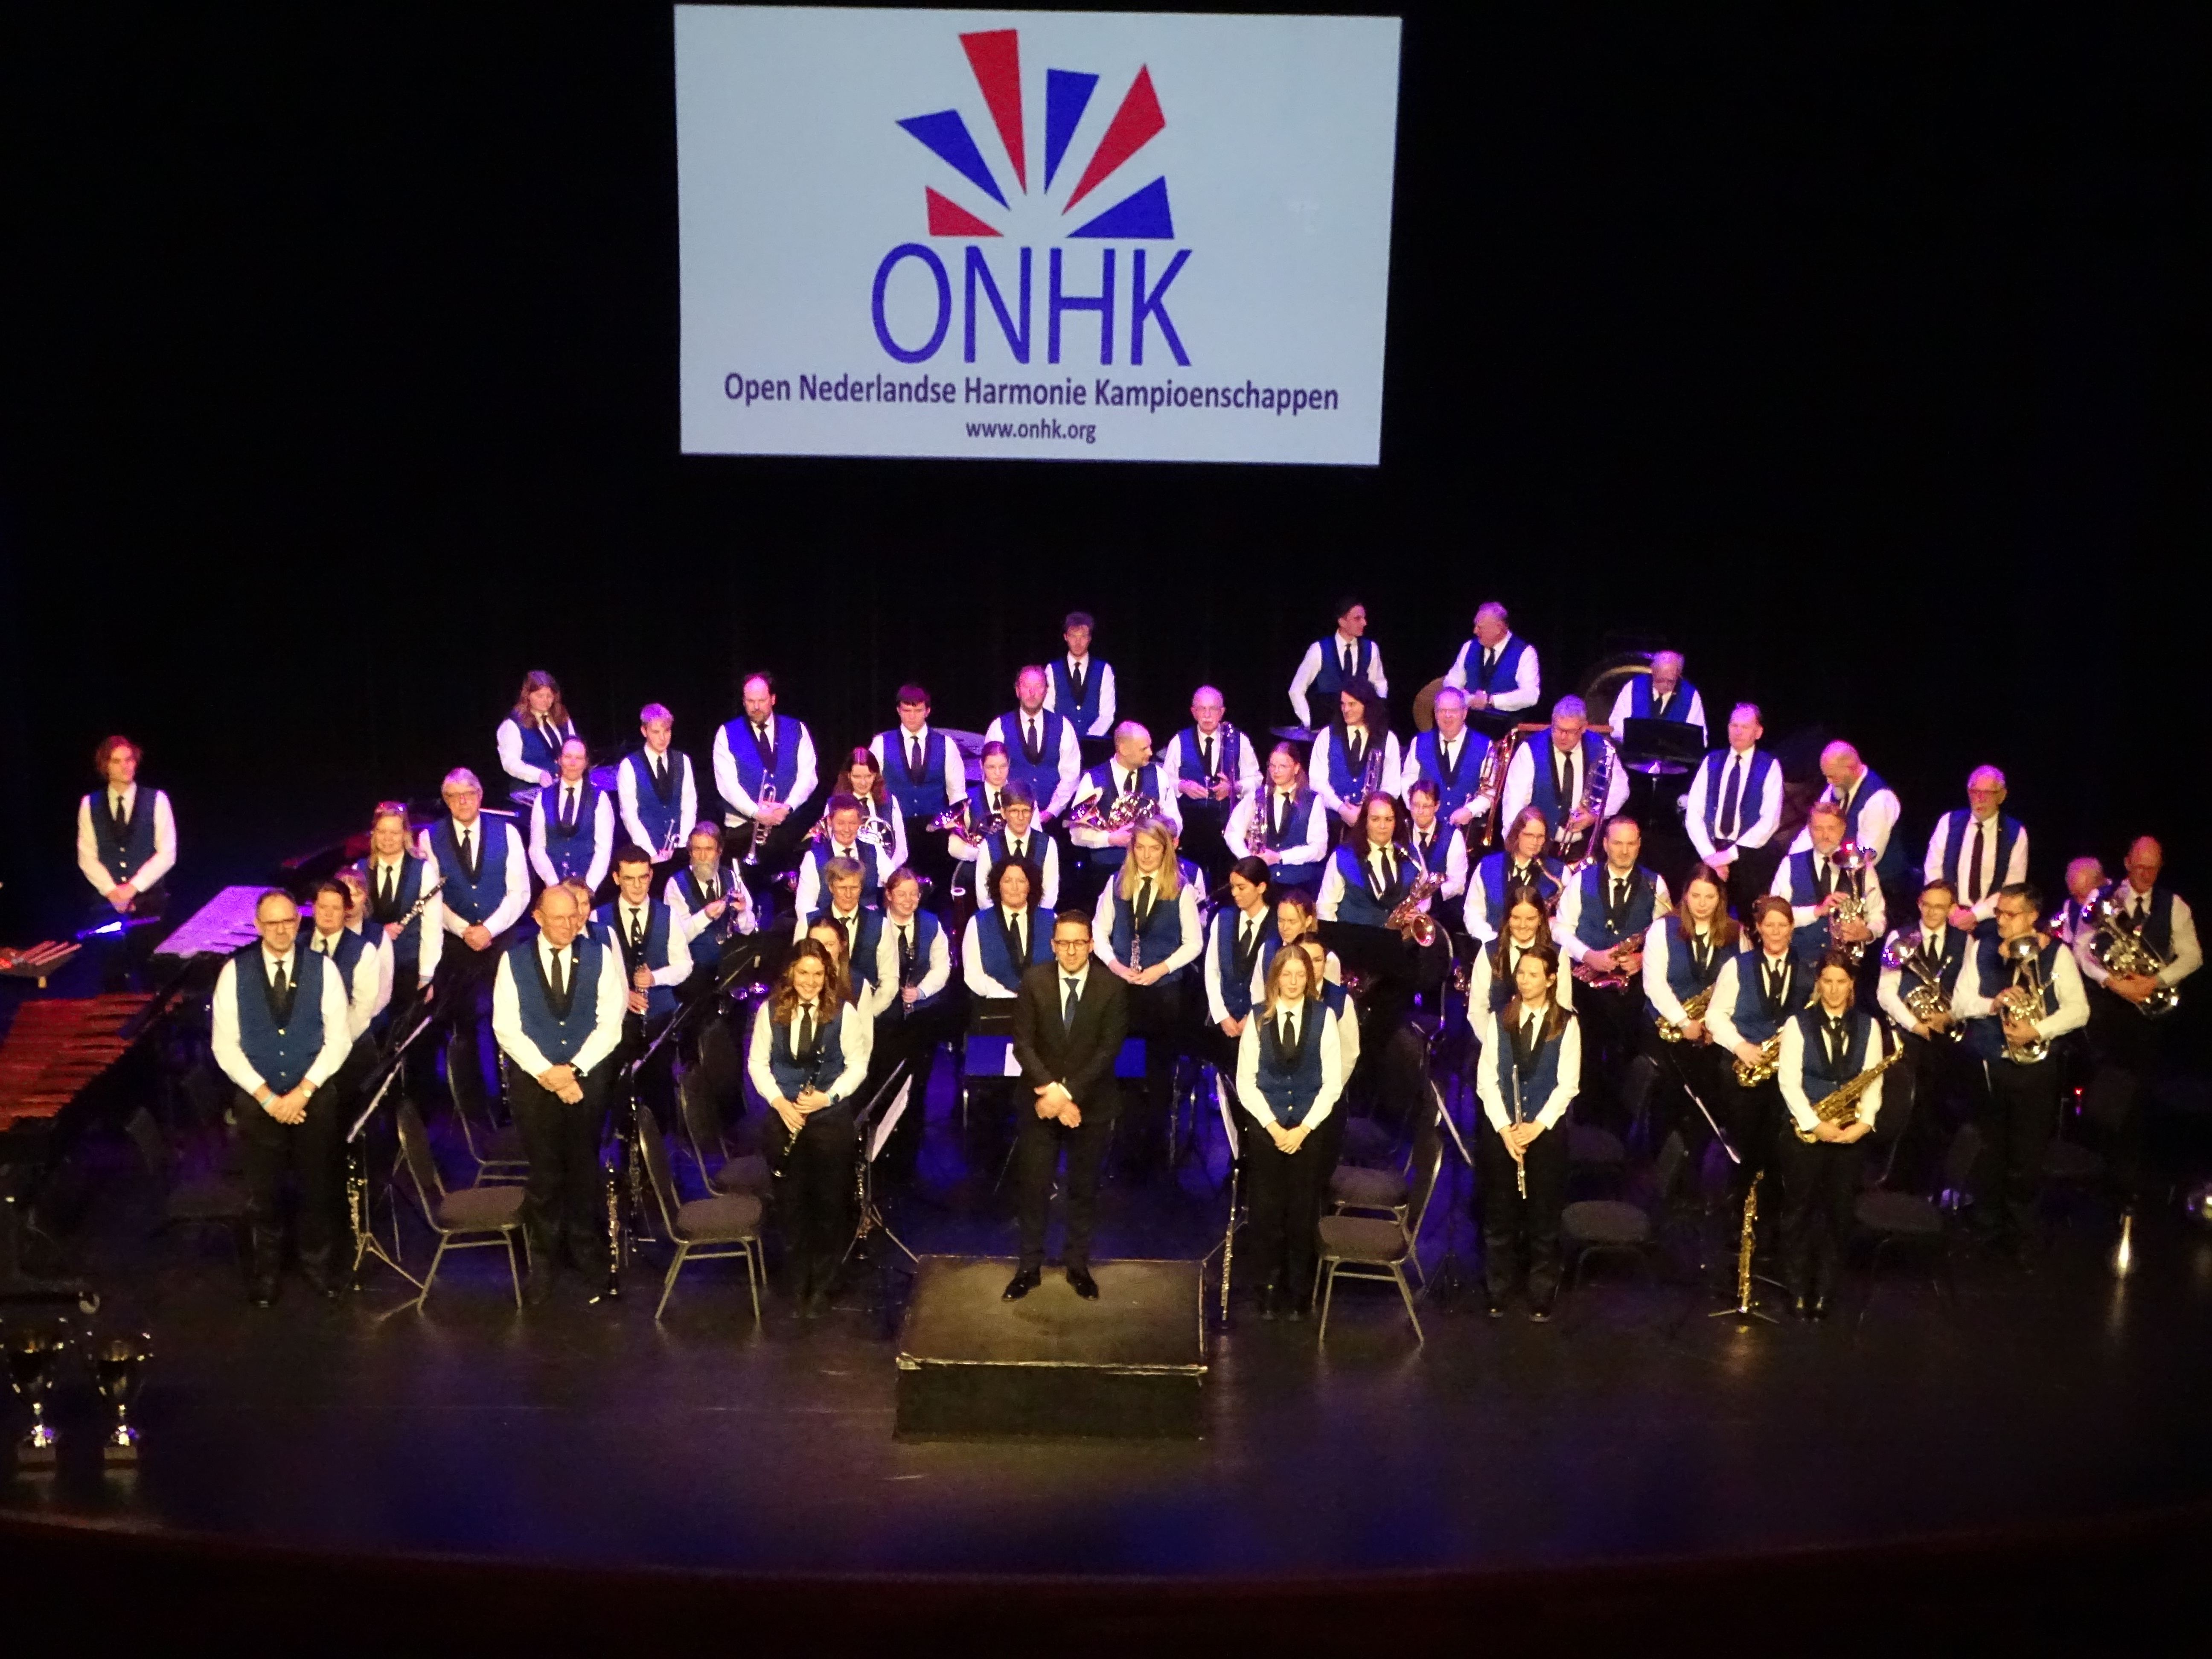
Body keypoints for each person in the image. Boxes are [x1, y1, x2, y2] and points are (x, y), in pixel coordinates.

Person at [209, 890, 355, 1304]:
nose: (281, 930)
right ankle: (267, 1274)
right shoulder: (234, 973)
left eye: (288, 922)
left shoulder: (323, 970)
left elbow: (338, 1040)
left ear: (298, 922)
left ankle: (317, 1267)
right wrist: (269, 1098)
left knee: (317, 1186)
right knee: (265, 1192)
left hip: (313, 1097)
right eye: (272, 923)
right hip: (259, 1102)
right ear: (258, 927)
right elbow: (225, 1046)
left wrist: (305, 1090)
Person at [491, 882, 627, 1304]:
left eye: (574, 916)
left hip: (586, 1079)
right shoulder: (513, 961)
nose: (569, 924)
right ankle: (544, 1260)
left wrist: (575, 1070)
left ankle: (586, 1249)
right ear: (538, 918)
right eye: (559, 918)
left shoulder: (600, 956)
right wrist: (547, 1073)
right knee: (546, 1173)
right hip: (535, 1084)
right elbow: (506, 1028)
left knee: (584, 1167)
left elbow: (611, 1023)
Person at [1953, 882, 2090, 1260]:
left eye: (2010, 914)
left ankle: (2022, 1236)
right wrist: (1992, 1003)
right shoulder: (1981, 948)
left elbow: (2079, 1011)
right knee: (1989, 1150)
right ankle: (1986, 1225)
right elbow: (1960, 1004)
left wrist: (2037, 1030)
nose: (2001, 920)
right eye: (1999, 912)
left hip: (2034, 1070)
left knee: (2026, 1157)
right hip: (1989, 1064)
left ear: (2032, 917)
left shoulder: (2056, 954)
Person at [1006, 913, 1130, 1301]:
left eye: (1079, 943)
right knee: (1034, 1187)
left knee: (1083, 1188)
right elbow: (1023, 1044)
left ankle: (1077, 1265)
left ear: (1091, 944)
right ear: (1053, 945)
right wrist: (1052, 1095)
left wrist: (1067, 1095)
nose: (1071, 950)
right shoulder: (1034, 981)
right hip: (1040, 1104)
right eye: (1064, 943)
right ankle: (1029, 1266)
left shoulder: (1111, 987)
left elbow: (1107, 1051)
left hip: (1090, 1104)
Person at [747, 940, 873, 1316]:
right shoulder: (768, 1012)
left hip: (829, 1121)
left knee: (829, 1205)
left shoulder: (844, 1013)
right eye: (804, 973)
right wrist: (779, 1102)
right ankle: (797, 1279)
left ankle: (824, 1282)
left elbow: (858, 1065)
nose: (811, 981)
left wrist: (829, 1098)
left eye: (818, 974)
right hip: (785, 1118)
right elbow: (758, 1064)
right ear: (791, 973)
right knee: (791, 1205)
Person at [2074, 838, 2201, 1194]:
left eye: (2153, 868)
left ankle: (2127, 1174)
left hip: (2148, 1013)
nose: (2145, 875)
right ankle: (2094, 1166)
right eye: (2139, 867)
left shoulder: (2174, 905)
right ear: (2127, 862)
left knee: (2138, 1092)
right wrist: (2112, 982)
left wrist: (2155, 981)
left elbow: (2193, 957)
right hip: (2109, 1008)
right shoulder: (2105, 898)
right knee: (2103, 1088)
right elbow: (2083, 950)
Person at [1235, 943, 1344, 1320]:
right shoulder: (1257, 1019)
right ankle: (1266, 1287)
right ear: (1275, 978)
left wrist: (1303, 1129)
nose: (1295, 981)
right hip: (1267, 1130)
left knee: (1301, 1213)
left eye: (1302, 975)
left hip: (1309, 1130)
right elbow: (1246, 1082)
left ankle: (1299, 1290)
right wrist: (1272, 1126)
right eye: (1288, 975)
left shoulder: (1324, 1017)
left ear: (1310, 979)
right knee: (1266, 1212)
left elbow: (1332, 1083)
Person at [1775, 952, 1886, 1318]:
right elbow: (1789, 1082)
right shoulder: (1797, 1024)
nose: (1835, 989)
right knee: (1799, 1212)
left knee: (1839, 1214)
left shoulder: (1870, 1026)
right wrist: (1814, 1124)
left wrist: (1865, 1123)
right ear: (1819, 984)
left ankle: (1825, 1290)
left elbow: (1873, 1078)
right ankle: (1797, 1289)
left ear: (1851, 984)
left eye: (1842, 982)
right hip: (1807, 1130)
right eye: (1828, 982)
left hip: (1849, 1131)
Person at [1474, 944, 1580, 1320]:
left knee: (1543, 1215)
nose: (1525, 980)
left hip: (1544, 1130)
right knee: (1500, 1214)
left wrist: (1536, 1127)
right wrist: (1505, 1128)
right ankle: (1498, 1288)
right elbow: (1487, 1080)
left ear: (1551, 980)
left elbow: (1568, 1085)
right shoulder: (1499, 1019)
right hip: (1503, 1128)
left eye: (1534, 974)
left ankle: (1541, 1290)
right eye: (1522, 973)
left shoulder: (1567, 1023)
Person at [1093, 819, 1202, 1176]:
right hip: (1124, 991)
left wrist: (1161, 969)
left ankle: (1152, 1155)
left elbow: (1194, 943)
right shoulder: (1117, 884)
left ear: (1166, 850)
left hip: (1163, 995)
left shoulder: (1181, 889)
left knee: (1156, 1075)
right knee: (1125, 1071)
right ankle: (1124, 1149)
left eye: (1154, 849)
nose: (1146, 855)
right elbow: (1099, 929)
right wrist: (1114, 965)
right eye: (1140, 847)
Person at [421, 769, 530, 1111]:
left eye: (468, 793)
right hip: (458, 942)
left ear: (480, 795)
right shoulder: (430, 837)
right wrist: (463, 929)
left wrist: (489, 929)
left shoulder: (507, 832)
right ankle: (472, 1104)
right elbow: (432, 895)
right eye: (453, 796)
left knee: (511, 1018)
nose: (462, 801)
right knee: (464, 1023)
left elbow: (521, 891)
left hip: (501, 939)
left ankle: (513, 1099)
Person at [1552, 815, 1672, 1128]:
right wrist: (1589, 955)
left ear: (1639, 846)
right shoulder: (1581, 880)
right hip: (1586, 982)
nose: (1624, 851)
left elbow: (1669, 935)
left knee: (1626, 1052)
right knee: (1588, 1052)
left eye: (1631, 844)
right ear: (1605, 845)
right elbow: (1561, 930)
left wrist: (1644, 957)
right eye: (1617, 843)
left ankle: (1620, 1127)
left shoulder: (1655, 884)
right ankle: (1586, 1124)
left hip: (1631, 985)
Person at [1706, 896, 1817, 1205]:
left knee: (1778, 1145)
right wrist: (1741, 1047)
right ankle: (1737, 1204)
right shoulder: (1737, 966)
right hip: (1744, 1067)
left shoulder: (1808, 972)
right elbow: (1715, 1017)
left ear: (1792, 929)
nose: (1777, 932)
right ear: (1758, 928)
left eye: (1783, 926)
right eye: (1770, 926)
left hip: (1786, 1073)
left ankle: (1771, 1205)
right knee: (1744, 1144)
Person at [1875, 878, 1973, 1168]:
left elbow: (1968, 990)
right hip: (1908, 1034)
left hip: (1944, 1033)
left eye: (1940, 908)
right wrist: (1915, 1025)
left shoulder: (1964, 941)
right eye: (1927, 906)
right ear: (1919, 903)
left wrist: (1950, 1015)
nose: (1931, 913)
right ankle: (1896, 1168)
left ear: (1951, 908)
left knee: (1936, 1105)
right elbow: (1885, 992)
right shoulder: (1899, 936)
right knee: (1905, 1104)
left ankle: (1929, 1169)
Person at [863, 867, 955, 1178]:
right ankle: (878, 1153)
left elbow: (943, 966)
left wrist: (921, 992)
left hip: (921, 1018)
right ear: (888, 895)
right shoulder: (874, 924)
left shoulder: (931, 924)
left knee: (917, 1086)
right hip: (884, 1021)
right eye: (901, 893)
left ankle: (909, 1157)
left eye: (914, 894)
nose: (909, 900)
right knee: (882, 1084)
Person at [1637, 864, 1735, 1146]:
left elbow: (1738, 985)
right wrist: (1684, 1022)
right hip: (1666, 1027)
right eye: (1696, 896)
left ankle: (1693, 1158)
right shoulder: (1662, 929)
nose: (1702, 904)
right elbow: (1654, 984)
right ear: (1686, 896)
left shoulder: (1733, 933)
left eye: (1710, 897)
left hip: (1711, 1030)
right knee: (1668, 1094)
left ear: (1721, 898)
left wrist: (1712, 1024)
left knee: (1707, 1098)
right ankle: (1658, 1153)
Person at [712, 671, 821, 888]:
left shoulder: (797, 729)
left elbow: (808, 776)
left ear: (773, 699)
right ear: (743, 702)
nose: (756, 707)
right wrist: (757, 813)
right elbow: (728, 785)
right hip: (744, 829)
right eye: (750, 701)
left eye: (762, 700)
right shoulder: (726, 733)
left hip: (789, 828)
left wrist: (787, 808)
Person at [1497, 696, 1627, 863]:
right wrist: (1514, 845)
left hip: (1585, 845)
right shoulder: (1530, 750)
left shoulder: (1602, 748)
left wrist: (1594, 815)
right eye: (1558, 729)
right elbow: (1514, 800)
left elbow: (1621, 789)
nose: (1563, 737)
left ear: (1583, 728)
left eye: (1571, 731)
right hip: (1542, 845)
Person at [1682, 703, 1784, 900]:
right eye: (1734, 725)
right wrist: (1710, 857)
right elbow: (1694, 812)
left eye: (1745, 727)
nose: (1738, 732)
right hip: (1711, 852)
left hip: (1749, 858)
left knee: (1749, 919)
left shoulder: (1769, 766)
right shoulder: (1712, 761)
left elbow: (1770, 820)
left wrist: (1728, 856)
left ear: (1758, 732)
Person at [870, 684, 964, 899]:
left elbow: (957, 792)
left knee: (935, 894)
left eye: (918, 710)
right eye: (907, 710)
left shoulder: (946, 745)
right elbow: (872, 788)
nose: (912, 716)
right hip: (895, 828)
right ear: (898, 710)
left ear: (928, 711)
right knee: (898, 891)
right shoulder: (881, 744)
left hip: (934, 829)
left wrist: (954, 823)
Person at [1161, 686, 1259, 889]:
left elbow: (1257, 779)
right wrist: (1182, 785)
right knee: (1188, 883)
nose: (1207, 715)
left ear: (1222, 712)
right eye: (1202, 709)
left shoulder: (1239, 740)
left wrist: (1235, 787)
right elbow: (1164, 780)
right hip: (1190, 829)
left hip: (1228, 828)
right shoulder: (1179, 741)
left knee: (1224, 884)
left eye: (1213, 709)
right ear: (1193, 712)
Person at [76, 733, 178, 928]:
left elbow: (167, 853)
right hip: (107, 906)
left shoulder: (157, 800)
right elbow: (86, 856)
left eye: (129, 760)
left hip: (150, 906)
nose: (126, 766)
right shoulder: (90, 804)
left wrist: (133, 888)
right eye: (117, 761)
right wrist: (112, 892)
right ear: (105, 766)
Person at [594, 845, 693, 1034]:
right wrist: (622, 994)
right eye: (629, 879)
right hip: (614, 1023)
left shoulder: (668, 914)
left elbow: (684, 965)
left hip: (661, 1020)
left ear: (651, 875)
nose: (638, 886)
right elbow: (592, 973)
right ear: (616, 879)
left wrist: (654, 978)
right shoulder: (597, 917)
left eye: (643, 877)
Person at [1774, 801, 1885, 968]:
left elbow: (1878, 916)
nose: (1825, 835)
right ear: (1809, 830)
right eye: (1818, 829)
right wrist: (1817, 911)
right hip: (1799, 966)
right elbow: (1776, 915)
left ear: (1843, 829)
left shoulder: (1862, 868)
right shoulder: (1790, 865)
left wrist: (1867, 933)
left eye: (1831, 829)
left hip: (1845, 969)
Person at [1922, 766, 2028, 928]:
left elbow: (2013, 887)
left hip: (1991, 919)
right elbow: (1933, 869)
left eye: (1988, 793)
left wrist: (1976, 915)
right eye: (1975, 792)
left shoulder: (2015, 833)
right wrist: (1951, 908)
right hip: (1948, 913)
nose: (1980, 799)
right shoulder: (1949, 823)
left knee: (1986, 952)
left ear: (2001, 796)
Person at [1786, 742, 1904, 885]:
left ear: (1850, 769)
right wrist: (1793, 863)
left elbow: (1867, 855)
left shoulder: (1878, 799)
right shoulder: (1835, 788)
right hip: (1842, 876)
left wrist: (1825, 868)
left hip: (1881, 885)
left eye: (1833, 776)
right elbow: (1813, 829)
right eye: (1827, 776)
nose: (1829, 782)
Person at [362, 801, 442, 1003]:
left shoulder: (423, 871)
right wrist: (379, 933)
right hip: (369, 970)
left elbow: (432, 929)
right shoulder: (360, 869)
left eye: (395, 833)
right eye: (382, 832)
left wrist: (426, 976)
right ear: (374, 833)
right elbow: (352, 923)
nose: (388, 839)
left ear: (405, 834)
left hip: (409, 970)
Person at [1202, 857, 1275, 1077]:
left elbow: (1272, 980)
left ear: (1261, 887)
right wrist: (1222, 1015)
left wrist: (1252, 1017)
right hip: (1223, 1023)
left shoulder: (1276, 925)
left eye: (1242, 888)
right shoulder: (1223, 919)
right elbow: (1212, 970)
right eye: (1233, 887)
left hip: (1260, 1025)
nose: (1235, 893)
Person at [1225, 743, 1330, 892]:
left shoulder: (1313, 801)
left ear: (1296, 768)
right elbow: (1232, 833)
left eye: (1283, 766)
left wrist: (1281, 857)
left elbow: (1319, 848)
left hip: (1299, 886)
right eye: (1272, 766)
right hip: (1265, 884)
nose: (1276, 771)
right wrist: (1249, 859)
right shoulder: (1257, 797)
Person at [984, 666, 1082, 825]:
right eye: (1026, 686)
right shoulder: (999, 727)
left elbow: (1071, 775)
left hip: (1052, 822)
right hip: (1009, 820)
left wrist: (1051, 812)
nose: (1032, 692)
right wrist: (1015, 812)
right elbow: (992, 776)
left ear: (1046, 691)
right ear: (1017, 691)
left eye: (1038, 687)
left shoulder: (1064, 727)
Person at [1467, 886, 1577, 1027]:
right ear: (1508, 918)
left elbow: (1563, 1008)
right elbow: (1477, 1011)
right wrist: (1495, 1045)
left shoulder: (1558, 954)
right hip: (1493, 1040)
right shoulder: (1489, 952)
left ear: (1540, 919)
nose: (1523, 926)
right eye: (1516, 918)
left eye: (1531, 919)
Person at [1308, 680, 1402, 838]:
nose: (1346, 709)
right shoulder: (1327, 736)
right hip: (1331, 827)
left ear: (1367, 706)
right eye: (1343, 704)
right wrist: (1341, 808)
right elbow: (1317, 781)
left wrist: (1367, 811)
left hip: (1371, 829)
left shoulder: (1388, 740)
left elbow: (1392, 786)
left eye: (1352, 704)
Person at [666, 822, 757, 978]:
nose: (702, 857)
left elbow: (749, 930)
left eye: (709, 850)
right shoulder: (676, 884)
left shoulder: (732, 878)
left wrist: (742, 913)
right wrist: (705, 916)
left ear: (719, 852)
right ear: (690, 852)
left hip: (730, 966)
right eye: (697, 850)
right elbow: (677, 938)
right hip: (696, 971)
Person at [1394, 686, 1484, 841]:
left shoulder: (1484, 745)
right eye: (1442, 711)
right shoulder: (1420, 742)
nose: (1447, 716)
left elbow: (1490, 792)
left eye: (1453, 711)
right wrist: (1418, 810)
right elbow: (1408, 780)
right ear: (1435, 714)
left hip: (1467, 833)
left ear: (1464, 713)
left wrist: (1470, 810)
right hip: (1423, 833)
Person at [795, 858, 883, 1014]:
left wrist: (864, 1015)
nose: (848, 895)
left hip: (866, 1013)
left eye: (854, 888)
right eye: (842, 888)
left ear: (861, 888)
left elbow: (889, 980)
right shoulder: (807, 922)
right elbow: (797, 970)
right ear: (831, 888)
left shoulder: (880, 924)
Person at [963, 857, 1055, 1005]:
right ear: (998, 886)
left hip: (1044, 1007)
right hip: (996, 1008)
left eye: (1021, 881)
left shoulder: (1052, 920)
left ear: (1030, 885)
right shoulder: (977, 924)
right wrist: (1006, 996)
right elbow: (973, 974)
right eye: (1007, 881)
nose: (1015, 887)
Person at [616, 703, 699, 867]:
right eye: (656, 732)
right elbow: (630, 815)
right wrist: (651, 853)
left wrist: (681, 847)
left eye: (667, 731)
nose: (663, 738)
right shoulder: (629, 765)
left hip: (679, 853)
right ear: (644, 731)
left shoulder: (683, 761)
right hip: (649, 856)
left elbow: (689, 806)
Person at [1287, 596, 1388, 729]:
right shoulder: (1320, 650)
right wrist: (1308, 721)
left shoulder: (1371, 649)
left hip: (1360, 730)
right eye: (1358, 619)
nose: (1364, 623)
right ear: (1342, 621)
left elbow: (1380, 684)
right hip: (1326, 729)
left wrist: (1376, 715)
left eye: (1364, 618)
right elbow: (1296, 690)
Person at [528, 737, 614, 893]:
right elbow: (537, 848)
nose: (573, 763)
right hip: (553, 890)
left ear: (586, 762)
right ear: (559, 760)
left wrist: (588, 888)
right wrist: (554, 886)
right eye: (568, 757)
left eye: (579, 758)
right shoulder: (543, 798)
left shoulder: (600, 799)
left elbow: (604, 849)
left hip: (586, 891)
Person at [1466, 807, 1564, 943]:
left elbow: (1564, 924)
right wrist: (1491, 940)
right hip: (1493, 945)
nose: (1535, 842)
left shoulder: (1559, 872)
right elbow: (1473, 912)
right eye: (1529, 835)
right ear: (1517, 834)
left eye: (1540, 837)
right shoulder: (1488, 865)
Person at [793, 792, 894, 915]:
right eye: (841, 823)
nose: (847, 829)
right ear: (830, 822)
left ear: (860, 823)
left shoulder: (875, 851)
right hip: (829, 929)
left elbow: (896, 884)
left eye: (852, 823)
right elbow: (804, 908)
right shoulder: (813, 858)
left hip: (868, 928)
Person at [967, 780, 1060, 913]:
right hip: (998, 921)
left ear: (1033, 812)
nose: (1021, 817)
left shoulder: (1048, 845)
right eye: (1014, 811)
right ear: (1004, 813)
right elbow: (984, 899)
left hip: (1036, 920)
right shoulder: (988, 846)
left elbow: (1049, 896)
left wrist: (1028, 922)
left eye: (1026, 811)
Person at [1442, 601, 1540, 725]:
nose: (1475, 631)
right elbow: (1451, 682)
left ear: (1499, 628)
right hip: (1469, 725)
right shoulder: (1469, 647)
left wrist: (1491, 701)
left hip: (1505, 726)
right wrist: (1464, 698)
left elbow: (1531, 696)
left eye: (1480, 627)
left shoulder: (1525, 653)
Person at [496, 670, 577, 795]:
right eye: (540, 696)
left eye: (550, 696)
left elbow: (574, 748)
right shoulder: (513, 725)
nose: (546, 701)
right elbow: (510, 762)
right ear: (528, 696)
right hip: (528, 793)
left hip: (562, 790)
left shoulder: (562, 719)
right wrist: (538, 775)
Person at [1043, 610, 1118, 743]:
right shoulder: (1052, 669)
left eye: (1083, 637)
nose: (1078, 642)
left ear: (1090, 638)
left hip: (1094, 743)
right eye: (1073, 636)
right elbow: (1048, 710)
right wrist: (1065, 736)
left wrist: (1089, 739)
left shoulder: (1104, 670)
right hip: (1061, 741)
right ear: (1066, 637)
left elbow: (1107, 714)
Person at [1604, 651, 1707, 746]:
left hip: (1674, 763)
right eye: (1661, 680)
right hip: (1636, 760)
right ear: (1653, 671)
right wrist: (1642, 737)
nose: (1665, 685)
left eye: (1671, 681)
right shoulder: (1634, 687)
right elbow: (1616, 725)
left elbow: (1699, 737)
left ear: (1679, 674)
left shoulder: (1691, 695)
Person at [833, 747, 910, 871]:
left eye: (868, 776)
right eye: (857, 777)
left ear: (876, 775)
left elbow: (901, 848)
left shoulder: (891, 802)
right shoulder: (835, 804)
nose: (863, 783)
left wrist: (888, 871)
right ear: (848, 776)